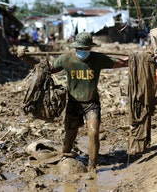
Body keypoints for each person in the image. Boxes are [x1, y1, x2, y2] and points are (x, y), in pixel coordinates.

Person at [51, 32, 128, 177]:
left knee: (93, 133)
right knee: (69, 137)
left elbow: (120, 63)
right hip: (74, 104)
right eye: (81, 48)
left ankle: (92, 167)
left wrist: (137, 59)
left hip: (92, 104)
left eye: (87, 49)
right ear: (76, 47)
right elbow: (47, 69)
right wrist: (26, 58)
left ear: (91, 48)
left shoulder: (98, 59)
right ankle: (65, 157)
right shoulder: (66, 59)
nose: (84, 51)